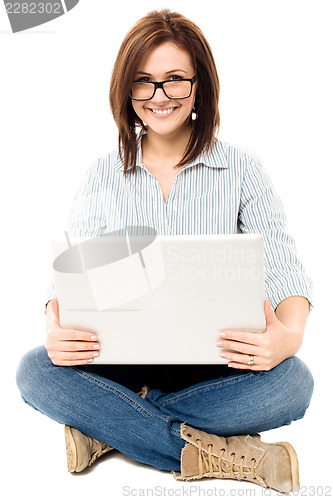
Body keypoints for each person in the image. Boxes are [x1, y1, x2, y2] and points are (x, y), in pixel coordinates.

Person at [16, 9, 314, 493]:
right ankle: (220, 453)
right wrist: (54, 326)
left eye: (175, 80)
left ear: (199, 86)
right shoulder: (102, 173)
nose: (159, 97)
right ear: (127, 89)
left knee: (295, 383)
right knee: (34, 371)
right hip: (117, 363)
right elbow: (68, 274)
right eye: (144, 82)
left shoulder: (241, 170)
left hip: (218, 363)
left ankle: (111, 429)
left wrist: (290, 336)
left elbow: (284, 269)